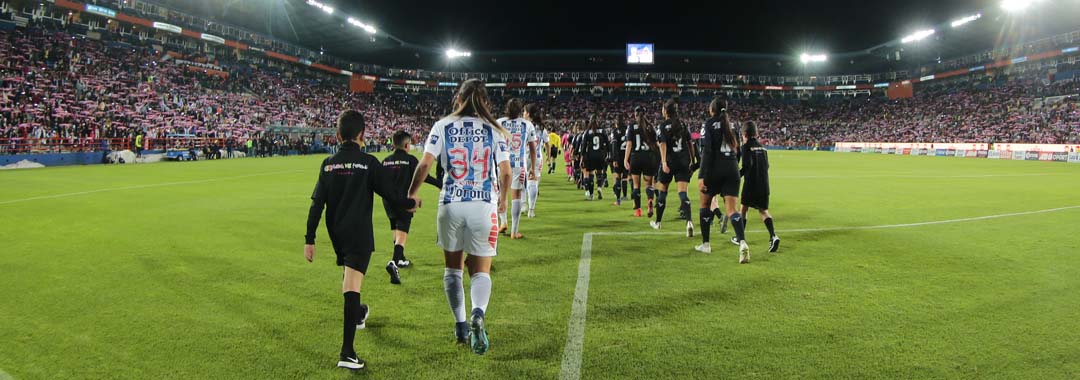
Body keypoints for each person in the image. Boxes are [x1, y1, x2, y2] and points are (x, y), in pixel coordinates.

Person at [304, 110, 420, 371]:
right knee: (351, 286)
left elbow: (316, 205)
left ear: (337, 135)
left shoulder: (328, 164)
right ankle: (347, 352)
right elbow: (391, 195)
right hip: (359, 233)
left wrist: (309, 239)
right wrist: (411, 203)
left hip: (337, 234)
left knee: (349, 281)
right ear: (362, 135)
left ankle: (358, 313)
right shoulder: (368, 162)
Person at [408, 79, 511, 355]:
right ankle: (479, 313)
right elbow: (506, 172)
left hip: (451, 204)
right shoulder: (494, 129)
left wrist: (412, 193)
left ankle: (461, 325)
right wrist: (501, 200)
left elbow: (425, 164)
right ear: (485, 103)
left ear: (458, 98)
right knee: (480, 271)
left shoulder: (442, 125)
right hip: (482, 205)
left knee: (452, 271)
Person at [381, 130, 441, 284]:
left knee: (395, 227)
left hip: (388, 202)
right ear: (407, 145)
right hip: (405, 201)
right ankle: (394, 262)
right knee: (402, 232)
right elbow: (424, 176)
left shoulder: (386, 161)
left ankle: (400, 259)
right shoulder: (410, 160)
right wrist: (440, 184)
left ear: (394, 144)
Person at [695, 98, 750, 263]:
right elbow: (738, 151)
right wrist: (733, 166)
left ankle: (706, 244)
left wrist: (702, 175)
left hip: (713, 170)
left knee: (705, 204)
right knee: (732, 210)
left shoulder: (709, 124)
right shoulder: (733, 126)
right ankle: (742, 243)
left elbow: (707, 151)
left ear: (712, 109)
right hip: (732, 169)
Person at [651, 98, 697, 238]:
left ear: (666, 111)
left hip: (670, 161)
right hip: (683, 161)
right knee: (682, 193)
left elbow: (663, 144)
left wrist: (664, 162)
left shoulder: (663, 126)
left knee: (662, 191)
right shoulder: (682, 124)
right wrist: (692, 159)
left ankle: (658, 222)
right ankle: (689, 222)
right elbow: (690, 143)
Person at [732, 122, 780, 252]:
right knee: (763, 211)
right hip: (764, 184)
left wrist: (736, 177)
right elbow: (767, 166)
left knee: (743, 209)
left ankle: (739, 237)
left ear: (745, 134)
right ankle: (773, 236)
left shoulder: (746, 147)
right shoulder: (763, 148)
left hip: (751, 184)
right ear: (756, 133)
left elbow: (747, 165)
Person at [496, 98, 538, 239]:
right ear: (520, 110)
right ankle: (514, 231)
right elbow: (533, 148)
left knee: (501, 194)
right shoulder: (527, 124)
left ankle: (503, 223)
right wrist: (533, 167)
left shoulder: (499, 123)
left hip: (502, 164)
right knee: (516, 196)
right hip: (519, 165)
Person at [623, 106, 659, 218]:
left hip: (636, 157)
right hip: (648, 157)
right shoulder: (650, 126)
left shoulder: (631, 126)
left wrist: (625, 159)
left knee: (636, 185)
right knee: (648, 184)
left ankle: (638, 210)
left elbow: (629, 144)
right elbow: (655, 144)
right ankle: (650, 201)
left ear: (635, 114)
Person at [581, 119, 609, 200]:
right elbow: (607, 143)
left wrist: (582, 157)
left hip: (591, 155)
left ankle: (591, 195)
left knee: (591, 175)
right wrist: (607, 154)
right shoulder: (602, 131)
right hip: (600, 155)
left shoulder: (587, 132)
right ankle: (599, 188)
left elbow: (584, 146)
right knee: (599, 172)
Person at [525, 104, 545, 218]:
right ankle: (531, 210)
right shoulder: (542, 127)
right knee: (533, 181)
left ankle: (523, 204)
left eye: (524, 112)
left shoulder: (526, 125)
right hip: (537, 157)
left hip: (525, 155)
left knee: (521, 181)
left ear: (528, 114)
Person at [609, 115, 629, 205]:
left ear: (616, 122)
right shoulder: (628, 130)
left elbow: (614, 146)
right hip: (627, 157)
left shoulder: (615, 132)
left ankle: (618, 200)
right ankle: (624, 196)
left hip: (619, 157)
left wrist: (614, 159)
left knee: (617, 177)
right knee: (625, 177)